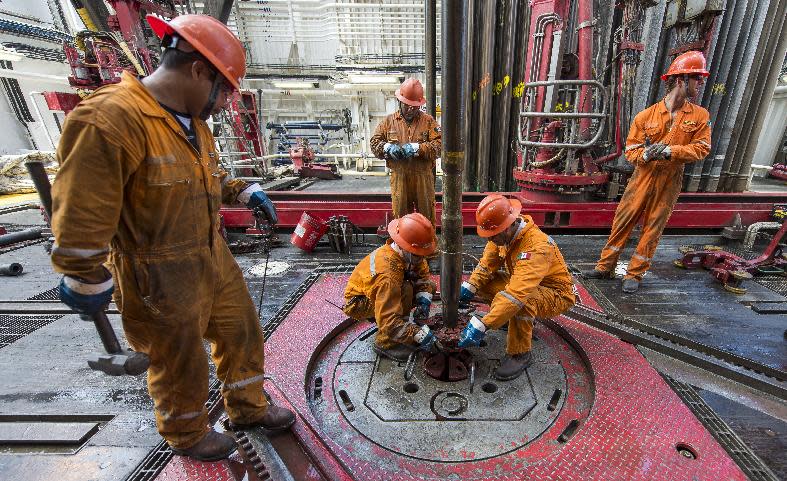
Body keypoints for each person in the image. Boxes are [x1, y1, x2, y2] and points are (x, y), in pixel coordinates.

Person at [50, 14, 294, 462]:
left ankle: (247, 408)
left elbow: (202, 178)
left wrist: (244, 189)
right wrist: (84, 275)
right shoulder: (109, 120)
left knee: (240, 332)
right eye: (224, 91)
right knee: (178, 358)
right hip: (156, 270)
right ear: (199, 70)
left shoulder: (190, 123)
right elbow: (80, 216)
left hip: (210, 255)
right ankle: (186, 433)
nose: (223, 105)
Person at [583, 51, 712, 293]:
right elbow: (631, 150)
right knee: (622, 222)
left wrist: (669, 152)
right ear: (681, 80)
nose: (701, 83)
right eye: (697, 78)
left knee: (653, 227)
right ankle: (604, 268)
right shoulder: (646, 116)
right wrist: (645, 154)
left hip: (669, 181)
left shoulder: (700, 116)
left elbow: (702, 148)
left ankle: (634, 274)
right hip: (641, 178)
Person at [457, 194, 576, 381]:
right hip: (527, 286)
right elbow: (486, 266)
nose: (491, 241)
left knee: (522, 302)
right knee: (485, 282)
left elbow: (516, 295)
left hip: (556, 295)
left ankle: (520, 354)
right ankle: (509, 319)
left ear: (508, 226)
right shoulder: (501, 236)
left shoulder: (536, 247)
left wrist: (484, 324)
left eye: (493, 236)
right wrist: (470, 287)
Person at [343, 213, 440, 361]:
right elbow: (389, 321)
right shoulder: (388, 275)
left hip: (381, 291)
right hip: (358, 302)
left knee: (429, 286)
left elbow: (423, 276)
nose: (422, 258)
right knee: (406, 289)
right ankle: (386, 343)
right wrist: (418, 334)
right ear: (404, 247)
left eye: (423, 254)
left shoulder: (407, 252)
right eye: (418, 255)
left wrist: (423, 302)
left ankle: (402, 325)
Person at [370, 78, 442, 225]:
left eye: (415, 106)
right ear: (400, 102)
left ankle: (427, 247)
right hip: (399, 178)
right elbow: (374, 143)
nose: (411, 109)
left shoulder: (428, 121)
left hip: (423, 179)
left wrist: (417, 148)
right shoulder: (388, 122)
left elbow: (439, 146)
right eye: (408, 105)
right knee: (401, 221)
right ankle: (403, 248)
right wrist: (387, 148)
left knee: (426, 220)